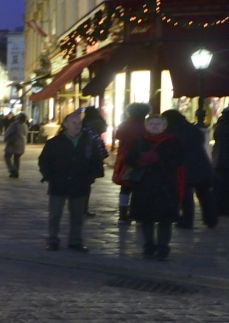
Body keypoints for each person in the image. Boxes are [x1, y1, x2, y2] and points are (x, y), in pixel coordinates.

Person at [38, 112, 106, 251]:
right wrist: (50, 176)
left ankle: (75, 241)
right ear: (65, 124)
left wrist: (89, 178)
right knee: (55, 214)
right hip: (59, 183)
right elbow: (44, 161)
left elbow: (96, 161)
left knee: (77, 215)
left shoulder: (88, 142)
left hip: (80, 183)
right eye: (73, 123)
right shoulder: (55, 142)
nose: (77, 125)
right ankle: (53, 240)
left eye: (79, 123)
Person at [125, 115, 186, 260]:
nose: (155, 126)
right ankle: (148, 247)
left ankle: (163, 248)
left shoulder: (172, 141)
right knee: (146, 218)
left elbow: (178, 160)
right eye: (151, 123)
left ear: (164, 126)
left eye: (158, 123)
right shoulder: (139, 141)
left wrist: (158, 160)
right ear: (146, 125)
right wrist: (140, 160)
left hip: (165, 185)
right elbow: (129, 159)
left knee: (165, 219)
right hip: (144, 185)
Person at [163, 110, 216, 228]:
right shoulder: (193, 128)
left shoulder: (170, 131)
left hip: (184, 165)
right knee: (205, 194)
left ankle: (187, 220)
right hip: (202, 164)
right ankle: (211, 219)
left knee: (186, 195)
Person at [109, 103, 150, 224]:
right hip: (142, 158)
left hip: (125, 157)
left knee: (125, 187)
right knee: (140, 187)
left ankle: (123, 215)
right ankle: (139, 215)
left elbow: (118, 135)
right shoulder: (145, 125)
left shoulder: (125, 124)